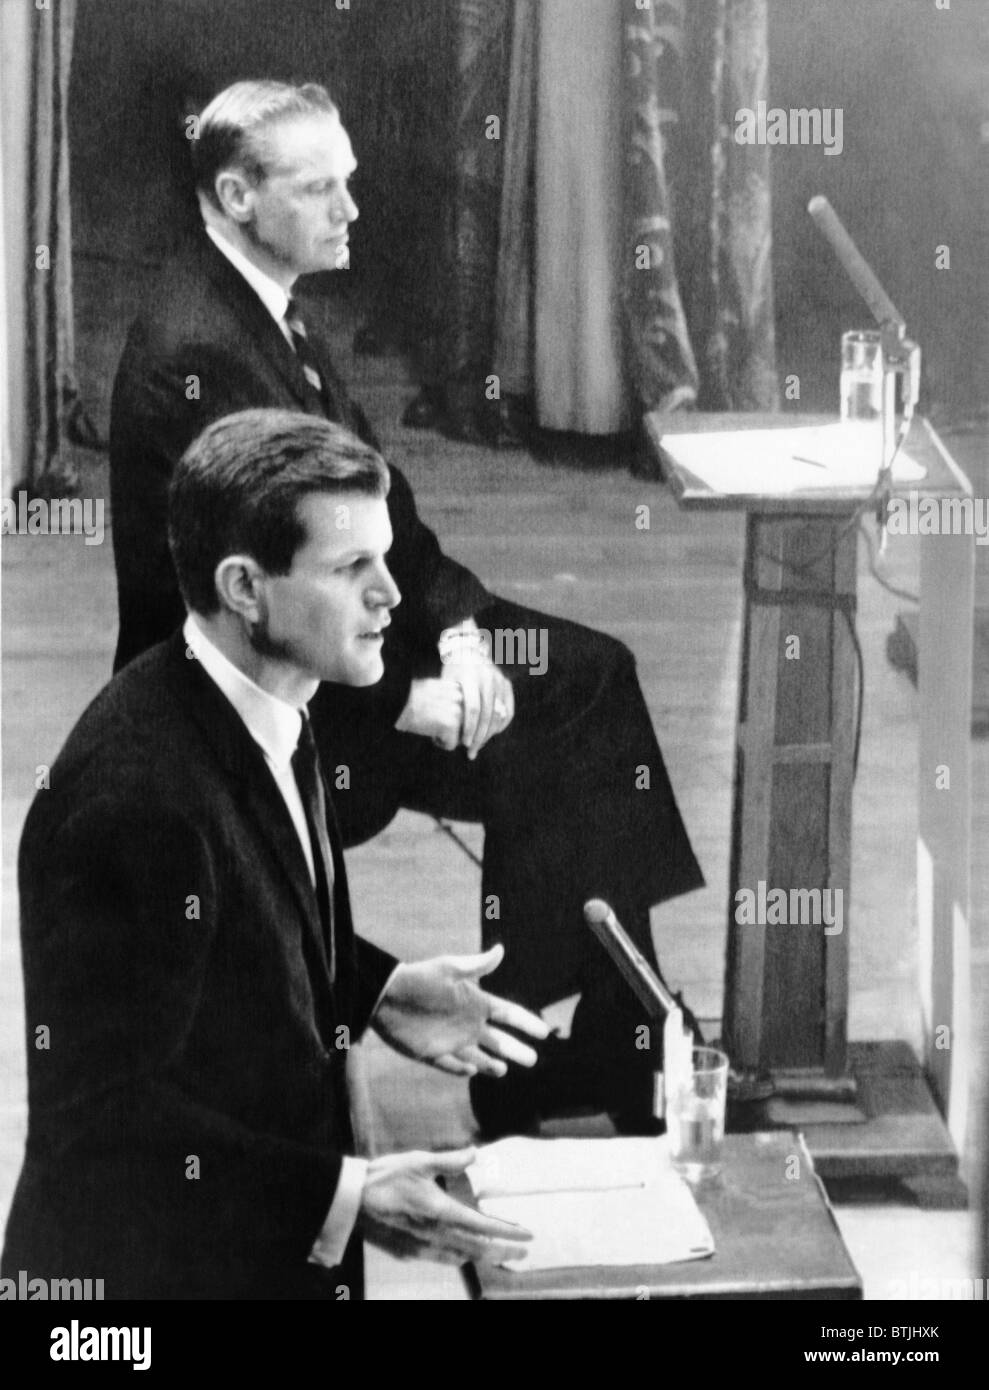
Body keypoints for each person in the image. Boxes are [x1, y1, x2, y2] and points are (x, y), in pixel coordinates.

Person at [109, 79, 705, 1137]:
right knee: (558, 711)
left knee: (582, 676)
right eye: (319, 189)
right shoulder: (204, 351)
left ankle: (598, 1039)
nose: (351, 213)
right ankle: (547, 1054)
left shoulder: (271, 313)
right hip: (257, 737)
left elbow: (385, 522)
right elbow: (259, 617)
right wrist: (406, 700)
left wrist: (466, 632)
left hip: (337, 661)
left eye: (351, 183)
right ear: (237, 193)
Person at [3, 410, 549, 1301]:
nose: (391, 595)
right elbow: (101, 1127)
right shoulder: (135, 804)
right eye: (350, 569)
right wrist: (349, 1197)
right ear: (245, 588)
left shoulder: (276, 703)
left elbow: (242, 926)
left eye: (385, 557)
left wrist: (369, 986)